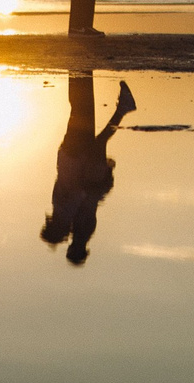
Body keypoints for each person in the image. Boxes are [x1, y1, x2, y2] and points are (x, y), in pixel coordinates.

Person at [40, 72, 138, 264]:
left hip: (77, 162)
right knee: (81, 113)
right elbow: (80, 194)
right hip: (79, 163)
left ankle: (81, 74)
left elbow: (82, 196)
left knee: (82, 113)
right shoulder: (74, 222)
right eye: (73, 248)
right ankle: (82, 76)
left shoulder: (72, 222)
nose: (69, 242)